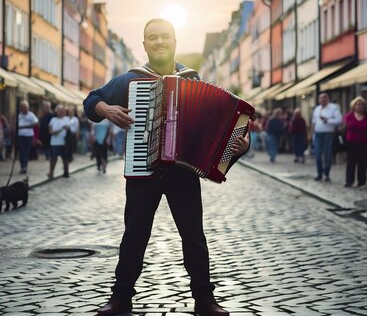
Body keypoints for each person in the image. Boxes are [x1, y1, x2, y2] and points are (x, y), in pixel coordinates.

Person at [83, 18, 248, 316]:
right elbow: (90, 100)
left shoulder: (193, 79)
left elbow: (218, 134)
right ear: (144, 44)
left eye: (165, 36)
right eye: (153, 37)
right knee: (134, 234)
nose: (159, 41)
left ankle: (204, 300)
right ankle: (120, 299)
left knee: (194, 236)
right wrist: (106, 109)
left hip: (183, 172)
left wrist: (239, 147)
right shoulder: (130, 79)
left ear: (174, 41)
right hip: (142, 171)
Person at [342, 96, 367, 187]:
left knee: (363, 163)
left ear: (365, 106)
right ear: (354, 106)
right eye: (357, 104)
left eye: (362, 104)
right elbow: (343, 128)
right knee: (351, 162)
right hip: (351, 142)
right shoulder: (349, 116)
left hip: (365, 142)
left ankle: (362, 181)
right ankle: (349, 181)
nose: (360, 106)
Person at [310, 93, 342, 182]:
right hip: (318, 134)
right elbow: (313, 122)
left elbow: (339, 120)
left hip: (328, 134)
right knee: (317, 154)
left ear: (328, 99)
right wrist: (311, 134)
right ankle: (319, 173)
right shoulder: (317, 109)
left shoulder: (333, 107)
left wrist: (327, 120)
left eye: (324, 98)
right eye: (320, 98)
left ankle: (326, 173)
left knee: (327, 154)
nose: (322, 100)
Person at [47, 105, 70, 179]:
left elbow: (69, 129)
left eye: (63, 111)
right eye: (59, 111)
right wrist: (61, 129)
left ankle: (66, 172)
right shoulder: (53, 120)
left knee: (65, 158)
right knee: (53, 158)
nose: (61, 112)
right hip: (54, 142)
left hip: (64, 142)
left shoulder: (67, 119)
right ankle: (51, 173)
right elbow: (50, 131)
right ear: (56, 112)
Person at [17, 100, 38, 174]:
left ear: (27, 108)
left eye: (25, 107)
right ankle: (23, 166)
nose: (23, 109)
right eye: (22, 107)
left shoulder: (31, 115)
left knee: (26, 151)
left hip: (29, 135)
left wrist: (23, 127)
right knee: (22, 151)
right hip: (20, 135)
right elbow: (15, 125)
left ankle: (25, 166)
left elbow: (35, 124)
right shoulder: (18, 115)